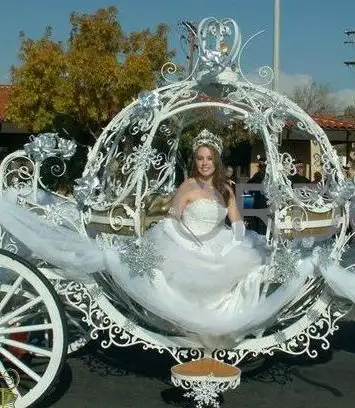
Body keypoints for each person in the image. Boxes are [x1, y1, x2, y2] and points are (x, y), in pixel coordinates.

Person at [0, 130, 312, 343]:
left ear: (216, 161)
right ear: (196, 161)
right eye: (200, 158)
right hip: (185, 242)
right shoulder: (187, 187)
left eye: (210, 159)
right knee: (184, 274)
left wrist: (235, 241)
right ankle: (187, 327)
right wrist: (191, 240)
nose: (205, 163)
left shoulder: (226, 188)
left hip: (221, 243)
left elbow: (236, 222)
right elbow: (173, 219)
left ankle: (221, 330)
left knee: (246, 264)